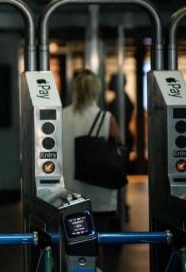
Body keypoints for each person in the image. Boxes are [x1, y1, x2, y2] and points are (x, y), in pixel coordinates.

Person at [62, 69, 122, 269]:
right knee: (98, 245)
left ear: (75, 90)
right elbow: (120, 146)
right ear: (95, 90)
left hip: (70, 194)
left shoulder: (60, 115)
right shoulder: (105, 117)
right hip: (100, 195)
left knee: (73, 244)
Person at [107, 73, 135, 152]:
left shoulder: (120, 102)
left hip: (120, 137)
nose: (108, 83)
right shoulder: (124, 100)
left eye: (111, 81)